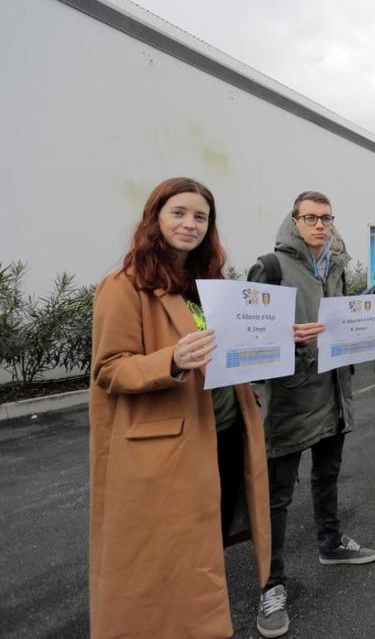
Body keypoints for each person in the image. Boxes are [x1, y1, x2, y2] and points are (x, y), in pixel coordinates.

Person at [89, 177, 270, 637]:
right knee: (168, 558)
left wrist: (272, 339)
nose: (190, 224)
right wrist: (169, 359)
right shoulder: (123, 285)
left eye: (200, 217)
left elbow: (230, 344)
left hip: (224, 433)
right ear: (155, 217)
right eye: (179, 213)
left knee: (206, 548)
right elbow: (110, 369)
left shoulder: (208, 285)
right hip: (171, 448)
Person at [248, 191, 375, 637]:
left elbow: (342, 324)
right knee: (277, 497)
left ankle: (331, 543)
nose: (319, 225)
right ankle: (271, 584)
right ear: (295, 220)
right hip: (290, 399)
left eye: (326, 218)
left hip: (335, 394)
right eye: (310, 217)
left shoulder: (337, 268)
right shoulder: (272, 266)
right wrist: (285, 338)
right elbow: (247, 338)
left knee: (327, 476)